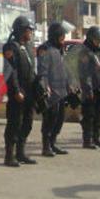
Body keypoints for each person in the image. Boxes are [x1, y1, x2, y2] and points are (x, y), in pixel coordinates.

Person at [3, 15, 38, 166]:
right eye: (28, 30)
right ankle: (9, 155)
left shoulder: (29, 47)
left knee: (27, 123)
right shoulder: (11, 47)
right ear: (21, 30)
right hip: (17, 93)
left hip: (30, 92)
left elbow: (33, 69)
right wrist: (17, 90)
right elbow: (12, 71)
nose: (30, 33)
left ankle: (21, 152)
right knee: (14, 124)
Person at [37, 22, 71, 157]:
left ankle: (53, 143)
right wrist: (45, 87)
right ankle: (46, 146)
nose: (63, 38)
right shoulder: (45, 49)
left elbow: (64, 69)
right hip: (51, 91)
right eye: (61, 36)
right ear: (55, 35)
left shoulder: (59, 49)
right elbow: (42, 71)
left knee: (59, 118)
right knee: (49, 119)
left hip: (61, 90)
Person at [76, 26, 100, 150]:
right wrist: (88, 89)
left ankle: (96, 138)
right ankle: (87, 140)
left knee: (98, 116)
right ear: (91, 39)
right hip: (91, 90)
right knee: (89, 116)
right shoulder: (85, 53)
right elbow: (85, 74)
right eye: (97, 39)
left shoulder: (99, 52)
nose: (99, 42)